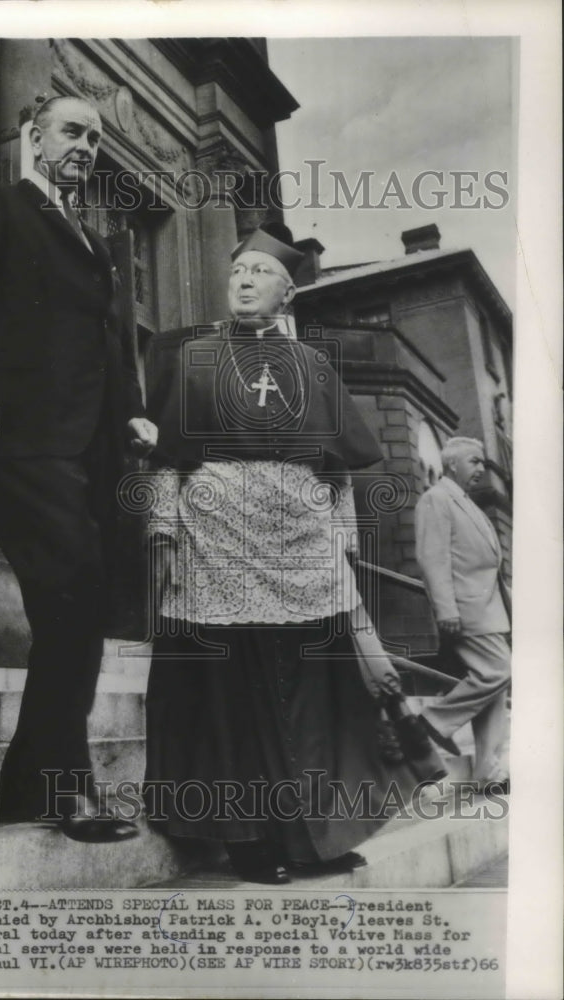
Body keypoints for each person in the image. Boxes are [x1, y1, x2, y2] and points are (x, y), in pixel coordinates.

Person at [142, 223, 440, 883]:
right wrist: (161, 532)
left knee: (307, 693)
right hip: (216, 540)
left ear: (286, 293)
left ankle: (312, 838)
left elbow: (337, 473)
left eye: (258, 272)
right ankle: (247, 839)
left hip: (301, 546)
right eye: (236, 271)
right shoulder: (193, 357)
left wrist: (341, 543)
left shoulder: (312, 366)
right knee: (236, 693)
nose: (243, 280)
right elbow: (165, 460)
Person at [0, 95, 157, 842]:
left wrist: (131, 410)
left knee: (83, 606)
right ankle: (64, 788)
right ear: (33, 137)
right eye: (72, 130)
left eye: (95, 137)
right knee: (73, 592)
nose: (86, 145)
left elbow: (108, 341)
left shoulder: (95, 241)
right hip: (23, 436)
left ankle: (28, 784)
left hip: (92, 448)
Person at [414, 436, 511, 790]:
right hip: (466, 610)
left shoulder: (467, 503)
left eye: (483, 462)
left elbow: (489, 567)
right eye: (474, 461)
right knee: (499, 671)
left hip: (490, 610)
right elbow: (431, 558)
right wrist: (445, 608)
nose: (482, 469)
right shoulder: (436, 499)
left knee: (495, 692)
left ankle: (487, 770)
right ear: (452, 464)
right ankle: (430, 722)